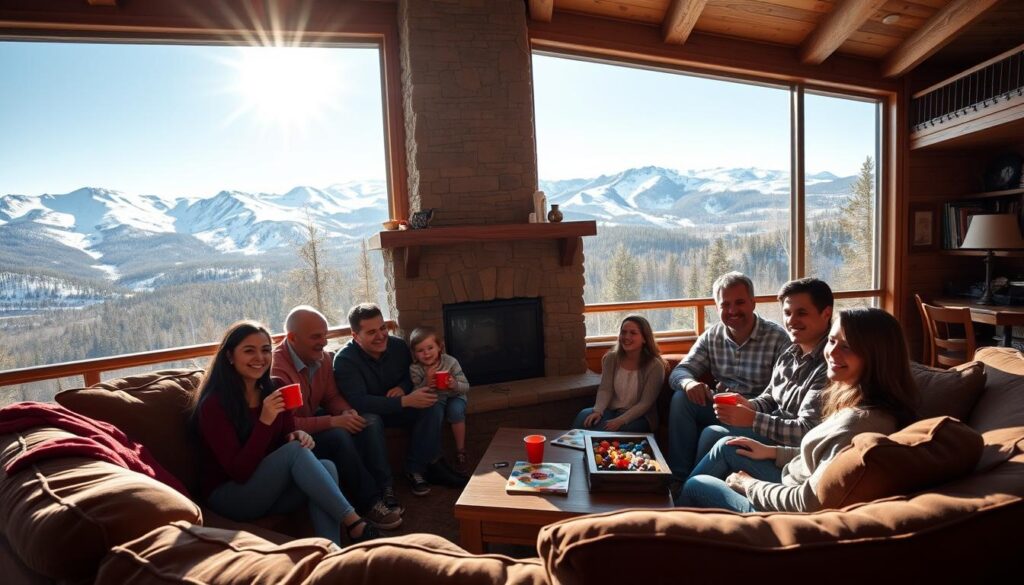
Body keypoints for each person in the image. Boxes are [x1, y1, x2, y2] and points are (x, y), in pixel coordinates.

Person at [677, 308, 919, 512]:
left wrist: (748, 484)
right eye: (832, 341)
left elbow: (807, 502)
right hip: (790, 474)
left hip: (785, 512)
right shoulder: (851, 398)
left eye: (847, 347)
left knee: (696, 484)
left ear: (877, 356)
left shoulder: (859, 422)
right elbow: (822, 458)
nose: (832, 353)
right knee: (726, 445)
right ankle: (674, 499)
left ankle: (669, 527)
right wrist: (773, 452)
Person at [191, 320, 378, 545]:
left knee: (327, 466)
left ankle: (330, 552)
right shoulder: (214, 404)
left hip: (268, 489)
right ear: (230, 356)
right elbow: (239, 471)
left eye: (266, 350)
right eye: (249, 351)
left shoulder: (276, 387)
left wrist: (298, 436)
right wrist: (265, 421)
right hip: (229, 496)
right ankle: (355, 524)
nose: (260, 358)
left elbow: (289, 435)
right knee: (294, 453)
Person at [272, 306, 402, 530]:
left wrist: (344, 412)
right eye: (316, 337)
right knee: (338, 436)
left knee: (367, 421)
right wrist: (333, 421)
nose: (323, 342)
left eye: (325, 335)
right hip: (290, 441)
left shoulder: (322, 359)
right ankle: (369, 503)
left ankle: (384, 489)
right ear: (292, 338)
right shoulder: (277, 370)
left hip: (313, 424)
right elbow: (286, 424)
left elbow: (331, 396)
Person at [689, 278, 836, 472]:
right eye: (787, 313)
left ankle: (688, 494)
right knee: (710, 433)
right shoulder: (791, 351)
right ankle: (688, 487)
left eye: (802, 313)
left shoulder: (832, 363)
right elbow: (771, 397)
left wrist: (752, 419)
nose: (791, 321)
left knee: (724, 447)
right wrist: (748, 404)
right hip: (773, 427)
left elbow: (807, 431)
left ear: (826, 314)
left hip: (796, 450)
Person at [333, 303, 467, 497]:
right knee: (370, 420)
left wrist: (403, 388)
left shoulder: (397, 345)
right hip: (374, 412)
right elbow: (359, 402)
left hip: (400, 406)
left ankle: (421, 467)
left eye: (382, 328)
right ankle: (384, 486)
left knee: (433, 402)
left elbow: (409, 375)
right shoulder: (345, 360)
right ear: (355, 336)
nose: (380, 336)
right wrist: (405, 401)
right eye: (371, 332)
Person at [666, 272, 790, 480]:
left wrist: (749, 408)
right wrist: (689, 384)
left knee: (711, 433)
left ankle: (692, 488)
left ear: (753, 303)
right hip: (720, 407)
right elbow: (680, 371)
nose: (732, 310)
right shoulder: (712, 336)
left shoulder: (778, 338)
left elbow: (782, 397)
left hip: (756, 415)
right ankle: (677, 480)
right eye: (725, 305)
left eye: (739, 302)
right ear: (717, 308)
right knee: (681, 398)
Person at [572, 315, 665, 433]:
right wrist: (598, 411)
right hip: (612, 411)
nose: (627, 337)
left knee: (601, 430)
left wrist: (620, 421)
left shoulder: (655, 366)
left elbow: (645, 403)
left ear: (644, 338)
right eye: (623, 332)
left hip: (639, 417)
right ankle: (573, 450)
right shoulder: (611, 358)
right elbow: (605, 389)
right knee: (583, 417)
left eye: (633, 333)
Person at [409, 326, 472, 473]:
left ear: (439, 347)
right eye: (420, 350)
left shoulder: (450, 362)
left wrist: (454, 384)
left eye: (430, 347)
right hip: (435, 399)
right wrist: (426, 382)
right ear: (414, 353)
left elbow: (466, 386)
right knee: (433, 413)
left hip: (455, 396)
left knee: (455, 411)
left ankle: (460, 450)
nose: (426, 353)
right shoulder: (415, 369)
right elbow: (415, 393)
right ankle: (436, 457)